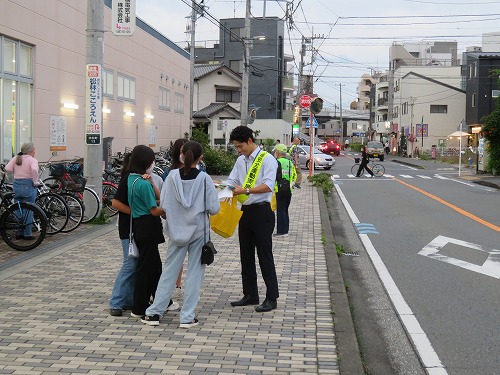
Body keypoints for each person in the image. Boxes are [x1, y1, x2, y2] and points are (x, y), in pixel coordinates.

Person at [143, 141, 220, 328]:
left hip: (176, 231)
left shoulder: (171, 177)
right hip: (198, 232)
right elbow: (213, 208)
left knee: (169, 271)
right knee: (194, 274)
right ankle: (187, 317)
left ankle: (154, 313)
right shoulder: (204, 179)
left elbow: (165, 206)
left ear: (181, 155)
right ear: (200, 158)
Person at [226, 125, 279, 313]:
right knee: (245, 255)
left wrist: (246, 190)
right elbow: (232, 182)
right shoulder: (240, 161)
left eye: (240, 146)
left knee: (265, 255)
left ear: (250, 141)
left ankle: (272, 297)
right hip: (246, 212)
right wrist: (222, 187)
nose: (239, 151)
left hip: (263, 211)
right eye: (236, 148)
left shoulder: (267, 160)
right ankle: (250, 294)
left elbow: (268, 186)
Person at [127, 145, 166, 319]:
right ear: (146, 162)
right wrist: (169, 210)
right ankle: (139, 306)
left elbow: (158, 197)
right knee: (146, 269)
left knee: (154, 266)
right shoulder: (142, 184)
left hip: (139, 226)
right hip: (148, 226)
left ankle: (160, 300)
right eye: (151, 161)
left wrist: (151, 181)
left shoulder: (133, 179)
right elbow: (154, 209)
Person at [109, 153, 136, 317]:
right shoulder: (128, 178)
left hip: (133, 228)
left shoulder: (134, 177)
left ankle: (128, 299)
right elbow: (115, 202)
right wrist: (136, 213)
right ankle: (116, 301)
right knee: (130, 264)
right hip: (128, 228)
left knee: (134, 264)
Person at [161, 138, 188, 296]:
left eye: (185, 151)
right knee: (175, 252)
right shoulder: (169, 172)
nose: (183, 155)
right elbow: (165, 196)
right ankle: (175, 283)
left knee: (193, 254)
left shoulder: (199, 169)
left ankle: (180, 283)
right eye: (180, 152)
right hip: (175, 218)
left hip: (192, 220)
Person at [5, 142, 39, 240]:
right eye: (34, 149)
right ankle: (27, 234)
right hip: (28, 185)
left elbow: (7, 168)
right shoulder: (32, 160)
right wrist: (35, 181)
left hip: (17, 185)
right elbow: (34, 170)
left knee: (18, 209)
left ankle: (19, 232)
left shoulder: (16, 158)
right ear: (31, 150)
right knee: (29, 210)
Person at [274, 144, 297, 237]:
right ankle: (285, 230)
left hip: (279, 189)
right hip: (288, 190)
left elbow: (273, 177)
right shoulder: (289, 162)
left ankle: (282, 231)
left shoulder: (276, 162)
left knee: (280, 210)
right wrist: (290, 184)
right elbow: (294, 175)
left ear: (278, 152)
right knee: (285, 210)